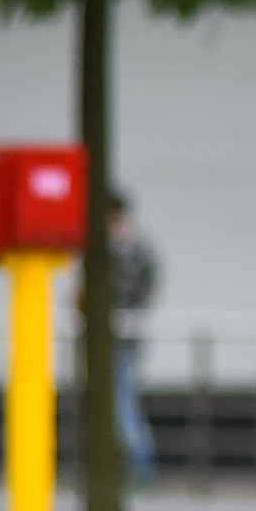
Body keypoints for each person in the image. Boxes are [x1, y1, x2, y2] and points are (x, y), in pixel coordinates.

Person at [109, 191, 160, 484]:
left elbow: (140, 293)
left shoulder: (132, 253)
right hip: (117, 338)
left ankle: (141, 466)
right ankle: (134, 466)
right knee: (121, 403)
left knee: (123, 405)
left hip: (123, 340)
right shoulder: (130, 251)